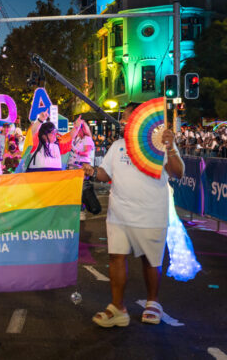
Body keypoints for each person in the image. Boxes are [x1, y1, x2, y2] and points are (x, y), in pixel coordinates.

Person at [83, 102, 184, 328]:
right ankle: (117, 308)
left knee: (150, 260)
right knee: (116, 257)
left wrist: (170, 147)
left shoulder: (159, 146)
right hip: (119, 214)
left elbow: (178, 173)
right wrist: (91, 171)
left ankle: (153, 302)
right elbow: (104, 174)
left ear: (139, 121)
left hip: (151, 214)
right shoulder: (118, 145)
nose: (122, 122)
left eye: (126, 118)